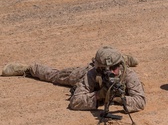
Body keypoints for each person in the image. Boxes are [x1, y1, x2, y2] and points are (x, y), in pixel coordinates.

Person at [2, 46, 145, 111]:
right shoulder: (91, 74)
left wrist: (117, 99)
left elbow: (140, 101)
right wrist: (99, 95)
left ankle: (123, 56)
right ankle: (29, 69)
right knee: (58, 76)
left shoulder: (128, 75)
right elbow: (75, 102)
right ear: (100, 68)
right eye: (108, 69)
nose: (113, 72)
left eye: (116, 66)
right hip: (86, 72)